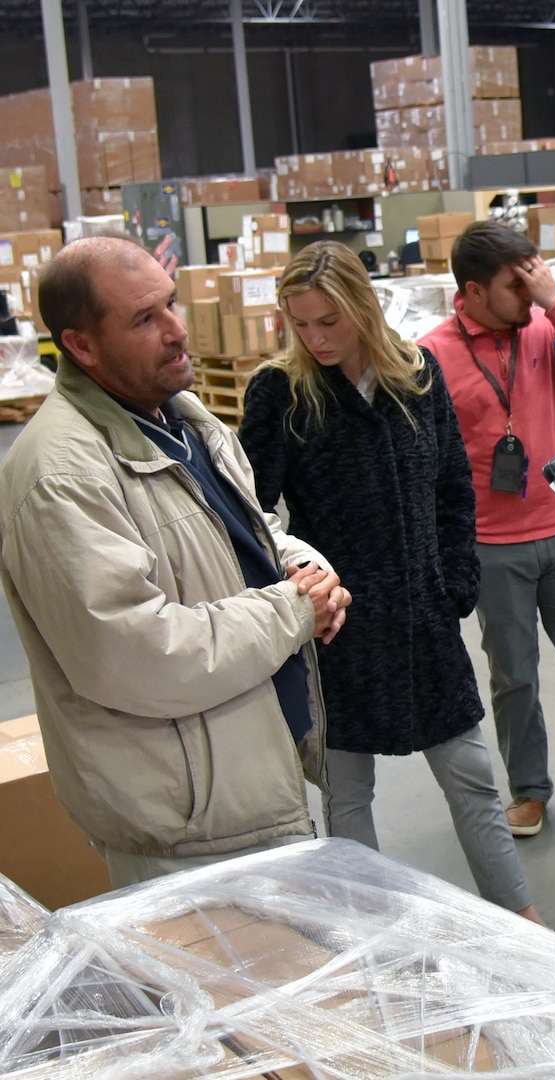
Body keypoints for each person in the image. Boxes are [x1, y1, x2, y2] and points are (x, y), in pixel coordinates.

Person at [236, 242, 555, 957]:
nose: (315, 339)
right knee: (347, 793)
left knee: (471, 778)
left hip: (424, 618)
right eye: (302, 324)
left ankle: (527, 932)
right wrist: (299, 587)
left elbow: (452, 487)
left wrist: (456, 584)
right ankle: (363, 945)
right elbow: (252, 513)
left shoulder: (415, 375)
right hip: (338, 631)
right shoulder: (281, 393)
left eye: (329, 322)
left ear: (361, 309)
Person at [0, 235, 349, 887]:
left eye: (170, 303)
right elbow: (137, 653)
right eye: (144, 319)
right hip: (187, 826)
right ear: (81, 345)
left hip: (251, 769)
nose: (177, 329)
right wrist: (292, 610)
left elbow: (249, 530)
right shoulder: (60, 475)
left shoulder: (184, 421)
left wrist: (306, 569)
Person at [418, 221, 555, 839]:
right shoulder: (431, 354)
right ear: (472, 291)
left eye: (534, 276)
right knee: (513, 674)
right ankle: (530, 790)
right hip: (490, 546)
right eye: (517, 284)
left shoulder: (542, 328)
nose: (530, 292)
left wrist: (554, 302)